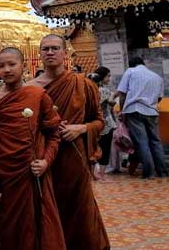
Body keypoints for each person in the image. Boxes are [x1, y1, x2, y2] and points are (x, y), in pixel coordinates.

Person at [33, 34, 109, 250]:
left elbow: (99, 121)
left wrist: (81, 128)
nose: (50, 52)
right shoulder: (31, 89)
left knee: (81, 207)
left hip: (74, 158)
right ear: (39, 54)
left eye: (55, 48)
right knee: (49, 207)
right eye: (45, 49)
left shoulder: (83, 85)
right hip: (45, 159)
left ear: (65, 53)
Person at [0, 48, 65, 250]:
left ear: (24, 66)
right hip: (5, 171)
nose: (7, 69)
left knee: (39, 223)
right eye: (1, 65)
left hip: (33, 171)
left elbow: (54, 134)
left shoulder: (37, 95)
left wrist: (46, 161)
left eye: (12, 64)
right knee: (7, 227)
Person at [117, 56, 169, 179]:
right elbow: (159, 98)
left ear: (131, 64)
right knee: (156, 141)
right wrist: (150, 102)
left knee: (142, 142)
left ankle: (149, 173)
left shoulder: (130, 71)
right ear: (143, 63)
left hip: (134, 110)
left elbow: (122, 93)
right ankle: (162, 172)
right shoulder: (157, 77)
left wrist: (122, 111)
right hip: (152, 111)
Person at [89, 67, 116, 181]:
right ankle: (101, 174)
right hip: (106, 123)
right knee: (105, 148)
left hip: (92, 123)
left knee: (93, 148)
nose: (110, 78)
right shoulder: (104, 91)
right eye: (108, 76)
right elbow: (110, 105)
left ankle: (92, 173)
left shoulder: (89, 91)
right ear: (101, 77)